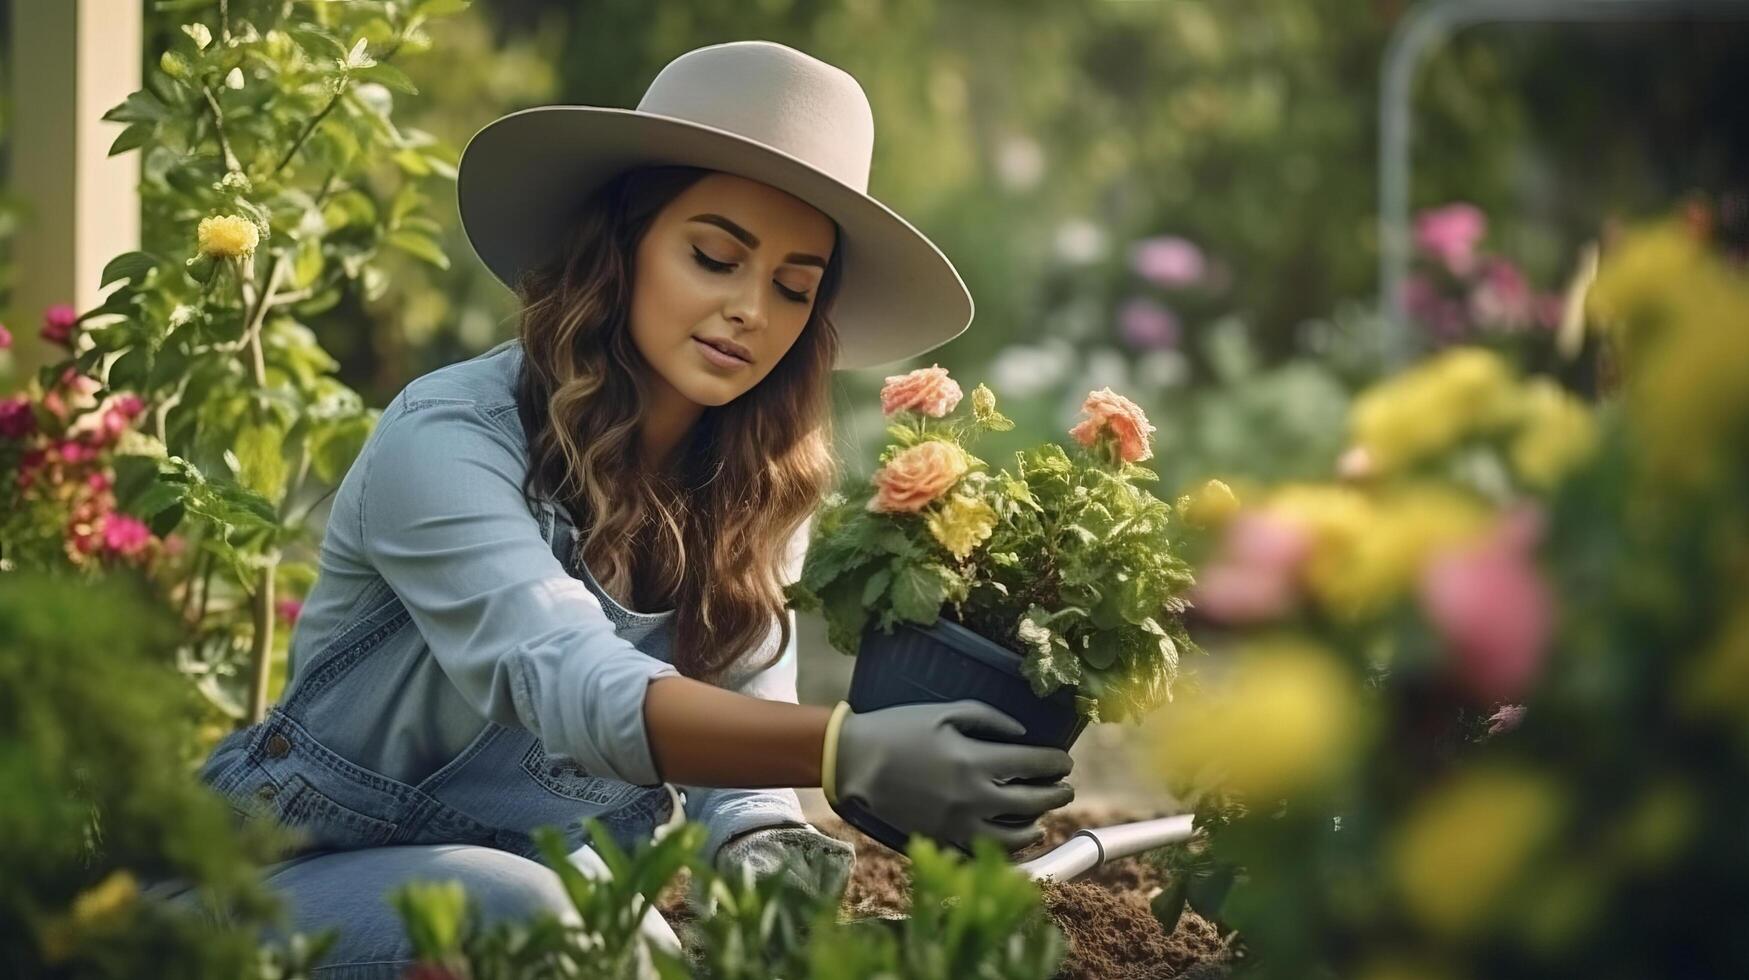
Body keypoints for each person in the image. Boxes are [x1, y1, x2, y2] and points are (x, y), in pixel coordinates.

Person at [153, 40, 1075, 976]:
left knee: (632, 946)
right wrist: (849, 750)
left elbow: (739, 744)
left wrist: (777, 897)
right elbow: (567, 681)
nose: (752, 309)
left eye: (794, 287)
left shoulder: (755, 484)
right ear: (621, 242)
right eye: (715, 256)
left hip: (528, 882)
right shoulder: (448, 437)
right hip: (266, 894)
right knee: (538, 918)